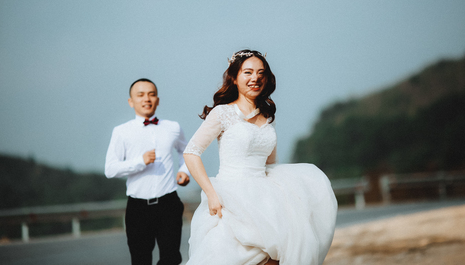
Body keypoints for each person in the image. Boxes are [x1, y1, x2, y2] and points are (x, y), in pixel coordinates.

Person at [183, 50, 338, 265]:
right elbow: (191, 152)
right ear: (234, 78)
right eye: (247, 72)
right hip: (230, 195)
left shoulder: (267, 115)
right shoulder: (222, 113)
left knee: (275, 257)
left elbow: (269, 162)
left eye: (260, 73)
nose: (255, 78)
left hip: (264, 196)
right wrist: (211, 194)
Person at [105, 78, 190, 265]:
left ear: (157, 100)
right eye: (140, 95)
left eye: (151, 94)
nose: (147, 99)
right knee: (140, 260)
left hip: (168, 202)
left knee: (171, 259)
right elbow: (110, 169)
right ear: (131, 101)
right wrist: (139, 162)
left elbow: (187, 151)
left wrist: (185, 171)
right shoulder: (121, 132)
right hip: (138, 207)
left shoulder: (173, 128)